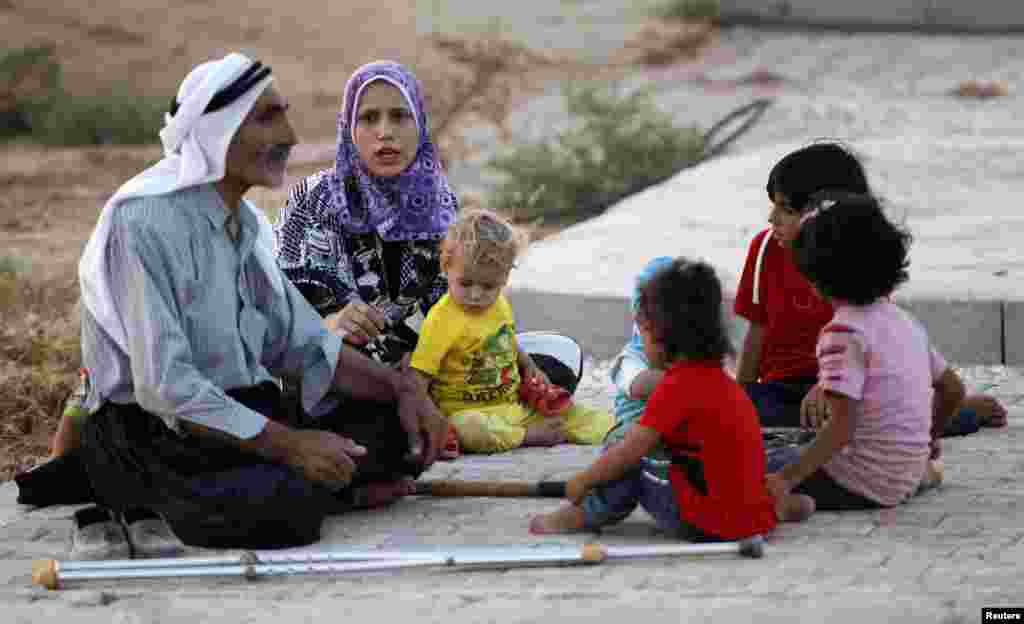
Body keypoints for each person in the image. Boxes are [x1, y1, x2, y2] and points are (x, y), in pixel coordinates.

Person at [67, 52, 447, 552]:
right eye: (269, 118)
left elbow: (304, 345)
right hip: (156, 431)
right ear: (217, 131)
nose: (290, 136)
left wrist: (402, 391)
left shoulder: (244, 224)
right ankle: (140, 497)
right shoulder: (142, 224)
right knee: (284, 506)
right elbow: (167, 388)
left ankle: (315, 479)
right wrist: (290, 446)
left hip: (240, 415)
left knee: (392, 431)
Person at [530, 258, 813, 538]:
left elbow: (629, 452)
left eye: (644, 332)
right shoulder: (723, 383)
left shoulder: (677, 385)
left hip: (703, 522)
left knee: (626, 450)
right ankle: (779, 504)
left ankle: (585, 513)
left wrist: (584, 479)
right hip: (753, 521)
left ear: (661, 334)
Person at [734, 142, 1005, 432]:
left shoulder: (860, 254)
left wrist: (829, 385)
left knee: (888, 416)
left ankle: (956, 410)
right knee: (747, 409)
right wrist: (738, 398)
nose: (772, 218)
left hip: (855, 384)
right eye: (773, 204)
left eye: (785, 209)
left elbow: (875, 339)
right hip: (781, 389)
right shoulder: (765, 248)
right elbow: (757, 329)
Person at [765, 193, 963, 512]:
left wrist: (785, 478)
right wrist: (927, 442)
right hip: (904, 475)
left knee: (763, 463)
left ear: (817, 275)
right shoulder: (903, 321)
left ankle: (792, 504)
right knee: (800, 445)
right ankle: (924, 473)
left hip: (858, 483)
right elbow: (953, 389)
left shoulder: (842, 333)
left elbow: (842, 428)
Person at [409, 209, 614, 453]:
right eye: (466, 283)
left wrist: (530, 367)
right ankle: (526, 437)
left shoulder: (499, 305)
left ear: (505, 277)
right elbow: (419, 377)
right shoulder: (442, 319)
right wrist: (426, 420)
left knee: (573, 412)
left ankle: (625, 432)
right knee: (470, 430)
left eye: (488, 286)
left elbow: (508, 342)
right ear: (446, 267)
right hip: (468, 414)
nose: (476, 295)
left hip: (514, 406)